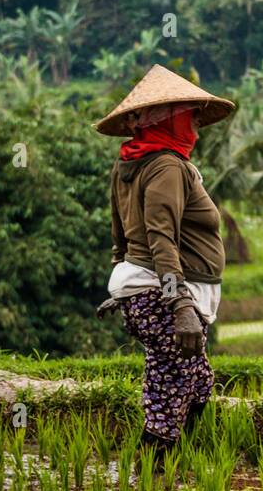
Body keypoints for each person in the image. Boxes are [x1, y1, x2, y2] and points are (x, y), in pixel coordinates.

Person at [93, 65, 236, 452]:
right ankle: (154, 465)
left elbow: (120, 237)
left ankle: (178, 459)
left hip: (149, 291)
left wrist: (124, 284)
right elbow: (160, 238)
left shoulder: (132, 161)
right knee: (171, 386)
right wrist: (179, 304)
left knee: (197, 382)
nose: (194, 127)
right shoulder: (166, 166)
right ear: (170, 119)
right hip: (168, 295)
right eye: (189, 117)